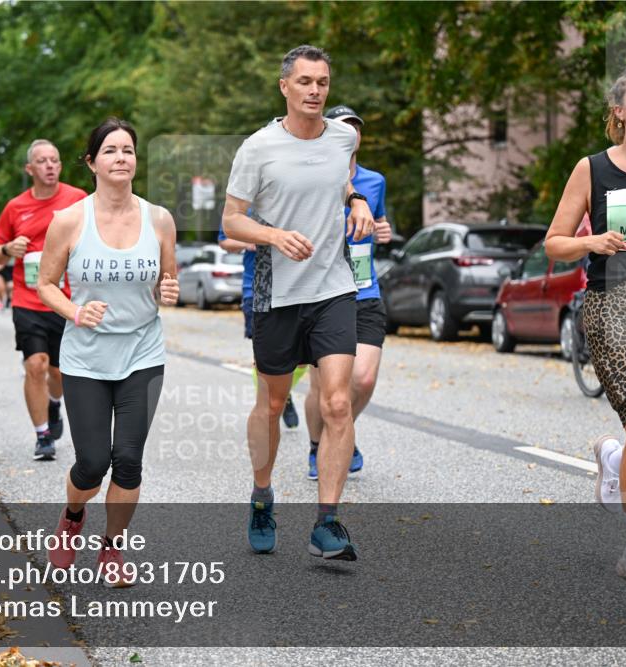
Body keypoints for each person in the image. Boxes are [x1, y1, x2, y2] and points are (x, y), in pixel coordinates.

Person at [222, 45, 374, 560]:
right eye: (305, 81)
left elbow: (343, 181)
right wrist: (272, 235)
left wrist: (356, 202)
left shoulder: (342, 137)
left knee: (336, 402)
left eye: (323, 82)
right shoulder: (257, 148)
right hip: (277, 293)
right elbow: (232, 220)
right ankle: (262, 495)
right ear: (284, 86)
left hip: (333, 287)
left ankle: (326, 522)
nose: (315, 91)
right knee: (270, 403)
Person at [545, 65, 626, 587]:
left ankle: (615, 456)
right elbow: (555, 242)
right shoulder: (592, 169)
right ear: (618, 112)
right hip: (611, 306)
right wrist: (591, 242)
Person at [38, 118, 178, 585]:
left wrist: (168, 291)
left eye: (129, 150)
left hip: (142, 352)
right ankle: (73, 516)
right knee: (93, 462)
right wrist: (76, 313)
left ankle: (112, 551)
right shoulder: (69, 220)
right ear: (93, 162)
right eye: (112, 150)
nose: (122, 158)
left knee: (129, 459)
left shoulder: (159, 219)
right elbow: (45, 285)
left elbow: (164, 283)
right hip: (86, 358)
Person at [304, 105, 393, 481]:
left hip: (363, 289)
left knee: (364, 380)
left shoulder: (374, 181)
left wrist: (383, 232)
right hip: (320, 292)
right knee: (323, 384)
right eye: (343, 127)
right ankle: (316, 444)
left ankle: (341, 431)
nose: (351, 133)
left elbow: (379, 222)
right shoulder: (312, 178)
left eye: (356, 127)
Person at [0, 140, 87, 460]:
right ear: (29, 169)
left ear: (60, 166)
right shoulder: (15, 207)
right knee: (35, 365)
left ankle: (54, 404)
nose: (49, 166)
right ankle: (42, 435)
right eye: (42, 161)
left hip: (65, 299)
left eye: (55, 160)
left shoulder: (77, 199)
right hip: (27, 298)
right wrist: (7, 250)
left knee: (58, 374)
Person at [218, 219, 302, 429]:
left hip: (295, 287)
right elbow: (224, 240)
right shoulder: (243, 200)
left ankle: (282, 392)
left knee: (302, 359)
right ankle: (269, 403)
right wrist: (248, 242)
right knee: (264, 357)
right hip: (255, 288)